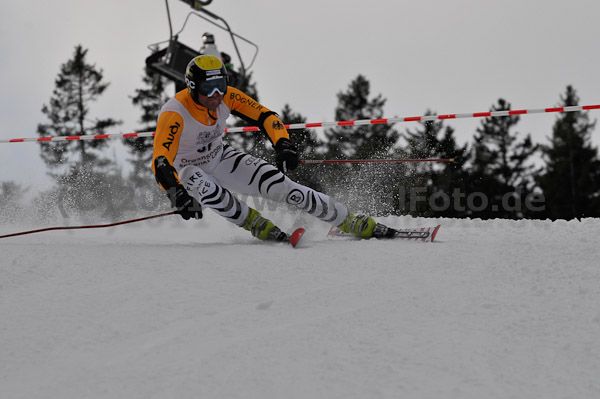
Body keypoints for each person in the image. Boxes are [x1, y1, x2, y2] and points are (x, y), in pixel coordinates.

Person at [151, 54, 395, 242]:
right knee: (209, 190)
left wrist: (283, 144)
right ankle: (255, 223)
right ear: (192, 87)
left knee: (281, 185)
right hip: (186, 170)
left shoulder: (228, 97)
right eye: (207, 88)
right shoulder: (175, 113)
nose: (216, 95)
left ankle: (349, 220)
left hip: (220, 157)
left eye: (220, 86)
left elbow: (266, 116)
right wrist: (177, 194)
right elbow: (161, 161)